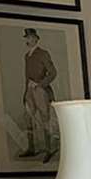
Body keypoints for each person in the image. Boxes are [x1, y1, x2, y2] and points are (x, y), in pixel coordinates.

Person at [21, 29, 58, 162]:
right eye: (27, 38)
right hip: (30, 90)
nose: (28, 40)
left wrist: (41, 84)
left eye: (30, 37)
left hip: (40, 90)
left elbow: (53, 72)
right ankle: (31, 148)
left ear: (36, 39)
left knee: (45, 119)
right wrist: (26, 92)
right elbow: (27, 76)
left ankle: (49, 149)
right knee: (28, 118)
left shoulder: (43, 54)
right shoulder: (27, 56)